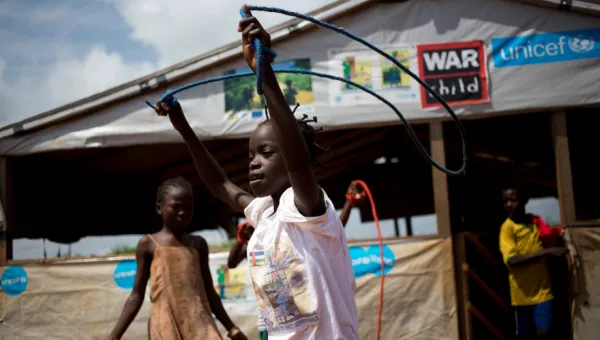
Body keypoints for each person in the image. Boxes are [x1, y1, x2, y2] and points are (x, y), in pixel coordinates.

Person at [155, 6, 359, 339]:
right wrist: (183, 126)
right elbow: (220, 184)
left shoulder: (305, 206)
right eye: (251, 154)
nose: (253, 162)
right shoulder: (264, 213)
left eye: (266, 153)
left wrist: (265, 74)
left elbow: (297, 161)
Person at [107, 177, 247, 340]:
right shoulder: (148, 245)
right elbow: (136, 295)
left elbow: (209, 291)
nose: (182, 213)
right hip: (165, 325)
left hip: (200, 325)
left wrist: (232, 329)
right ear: (159, 209)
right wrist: (115, 335)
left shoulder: (198, 245)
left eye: (188, 208)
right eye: (176, 207)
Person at [227, 182, 366, 340]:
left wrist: (348, 204)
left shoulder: (293, 227)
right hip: (274, 327)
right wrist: (241, 240)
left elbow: (328, 234)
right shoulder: (256, 240)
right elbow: (231, 263)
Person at [499, 184, 567, 339]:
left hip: (543, 292)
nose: (509, 204)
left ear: (524, 200)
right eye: (505, 201)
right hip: (521, 296)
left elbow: (551, 235)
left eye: (513, 200)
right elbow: (512, 260)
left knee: (544, 331)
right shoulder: (507, 228)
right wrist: (547, 252)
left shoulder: (536, 222)